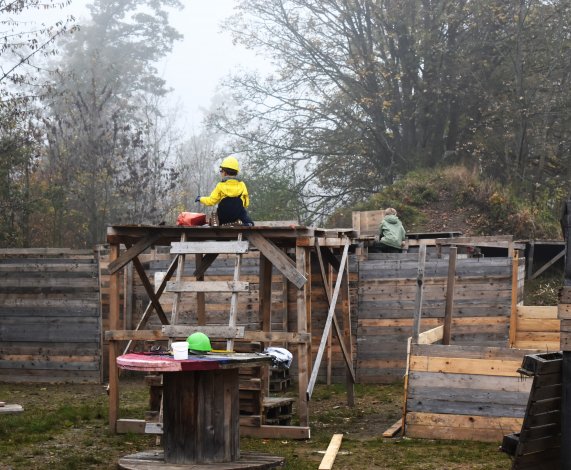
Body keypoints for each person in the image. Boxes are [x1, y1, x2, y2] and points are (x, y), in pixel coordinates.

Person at [195, 155, 254, 226]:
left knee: (217, 213)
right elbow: (246, 203)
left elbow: (211, 201)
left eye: (221, 171)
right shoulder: (242, 184)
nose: (220, 173)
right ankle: (248, 223)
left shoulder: (220, 185)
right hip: (237, 215)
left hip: (223, 216)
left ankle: (218, 223)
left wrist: (200, 198)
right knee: (243, 212)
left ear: (225, 172)